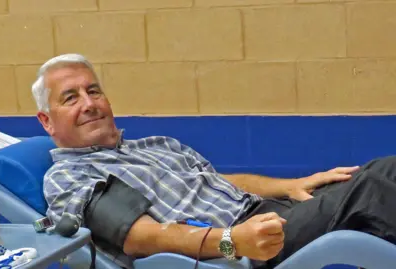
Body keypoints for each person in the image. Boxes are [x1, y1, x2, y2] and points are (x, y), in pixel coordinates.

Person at [32, 54, 396, 269]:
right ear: (47, 121)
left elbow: (217, 179)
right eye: (70, 98)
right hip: (243, 244)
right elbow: (143, 238)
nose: (89, 103)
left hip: (268, 212)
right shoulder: (71, 175)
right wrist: (231, 241)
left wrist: (290, 185)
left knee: (382, 171)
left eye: (93, 91)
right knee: (373, 186)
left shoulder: (153, 145)